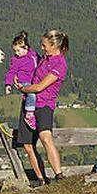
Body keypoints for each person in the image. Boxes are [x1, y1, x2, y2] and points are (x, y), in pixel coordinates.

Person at [14, 29, 69, 184]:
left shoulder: (60, 64)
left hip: (44, 105)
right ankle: (41, 179)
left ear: (54, 45)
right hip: (29, 104)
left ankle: (58, 175)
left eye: (44, 45)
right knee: (27, 145)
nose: (42, 47)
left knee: (46, 137)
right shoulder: (45, 58)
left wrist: (23, 88)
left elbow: (39, 87)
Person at [3, 31, 43, 184]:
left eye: (19, 50)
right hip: (26, 84)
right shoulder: (16, 60)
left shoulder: (33, 55)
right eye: (15, 51)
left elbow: (40, 64)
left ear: (26, 47)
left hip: (34, 83)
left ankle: (42, 177)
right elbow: (11, 72)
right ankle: (29, 113)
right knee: (31, 95)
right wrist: (8, 84)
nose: (17, 53)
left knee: (33, 94)